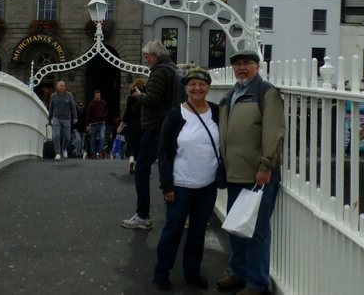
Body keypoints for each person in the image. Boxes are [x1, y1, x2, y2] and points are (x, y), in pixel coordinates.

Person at [216, 50, 285, 295]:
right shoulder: (230, 96)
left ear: (257, 66)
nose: (241, 67)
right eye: (237, 64)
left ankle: (256, 282)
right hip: (234, 172)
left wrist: (266, 166)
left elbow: (274, 132)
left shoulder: (266, 92)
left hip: (258, 175)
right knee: (236, 226)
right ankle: (239, 272)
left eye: (247, 63)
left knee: (256, 230)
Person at [153, 67, 219, 291]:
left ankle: (192, 271)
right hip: (180, 185)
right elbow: (164, 152)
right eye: (192, 84)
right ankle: (162, 271)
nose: (197, 88)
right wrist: (167, 185)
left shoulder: (217, 113)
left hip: (208, 184)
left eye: (202, 84)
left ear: (209, 87)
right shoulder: (175, 115)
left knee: (198, 231)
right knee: (173, 229)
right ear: (186, 87)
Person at [122, 40, 181, 230]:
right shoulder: (172, 69)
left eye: (147, 57)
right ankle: (179, 212)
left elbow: (154, 100)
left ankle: (142, 216)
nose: (145, 60)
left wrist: (139, 96)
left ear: (155, 57)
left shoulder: (158, 71)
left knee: (142, 171)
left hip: (156, 127)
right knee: (170, 170)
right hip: (171, 125)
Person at [119, 77, 147, 174]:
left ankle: (131, 160)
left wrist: (121, 125)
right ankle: (138, 165)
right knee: (140, 145)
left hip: (131, 125)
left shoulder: (130, 98)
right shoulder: (145, 98)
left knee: (131, 145)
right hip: (143, 124)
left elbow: (126, 113)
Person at [46, 81, 77, 161]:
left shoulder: (69, 95)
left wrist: (75, 117)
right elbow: (51, 108)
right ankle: (57, 153)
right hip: (57, 118)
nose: (63, 87)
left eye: (64, 85)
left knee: (67, 137)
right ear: (57, 87)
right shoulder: (53, 96)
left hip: (67, 119)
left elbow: (73, 107)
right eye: (61, 86)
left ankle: (63, 149)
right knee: (56, 136)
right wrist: (49, 119)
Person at [87, 90, 109, 159]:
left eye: (98, 95)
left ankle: (100, 152)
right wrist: (87, 125)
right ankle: (93, 153)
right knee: (93, 140)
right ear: (94, 96)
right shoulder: (91, 104)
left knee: (102, 138)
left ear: (100, 95)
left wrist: (103, 116)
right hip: (93, 124)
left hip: (101, 123)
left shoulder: (103, 103)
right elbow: (88, 115)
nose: (97, 97)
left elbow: (106, 111)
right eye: (96, 95)